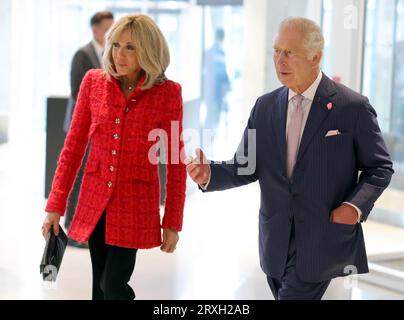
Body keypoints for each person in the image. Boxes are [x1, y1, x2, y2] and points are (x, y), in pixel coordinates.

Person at [186, 17, 394, 300]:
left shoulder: (352, 107)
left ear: (316, 57)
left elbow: (379, 167)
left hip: (323, 237)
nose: (279, 60)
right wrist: (209, 173)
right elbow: (245, 165)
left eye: (289, 52)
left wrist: (353, 207)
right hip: (276, 240)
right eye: (276, 50)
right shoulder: (265, 106)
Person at [42, 14, 186, 300]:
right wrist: (55, 205)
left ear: (148, 50)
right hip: (96, 202)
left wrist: (172, 221)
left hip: (135, 205)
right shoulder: (94, 83)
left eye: (131, 47)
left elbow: (174, 161)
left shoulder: (167, 93)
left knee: (113, 285)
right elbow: (73, 147)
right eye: (116, 45)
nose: (120, 54)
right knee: (99, 288)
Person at [63, 11, 114, 248]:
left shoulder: (108, 55)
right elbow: (76, 92)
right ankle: (71, 228)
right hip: (82, 126)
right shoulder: (83, 54)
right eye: (107, 28)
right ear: (95, 29)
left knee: (89, 178)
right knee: (76, 175)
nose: (110, 33)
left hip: (98, 128)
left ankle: (83, 229)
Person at [203, 28, 230, 130]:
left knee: (210, 114)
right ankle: (209, 138)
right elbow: (221, 72)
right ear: (223, 38)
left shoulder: (209, 51)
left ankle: (207, 138)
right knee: (214, 116)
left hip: (208, 88)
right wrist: (227, 85)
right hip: (216, 90)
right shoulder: (219, 52)